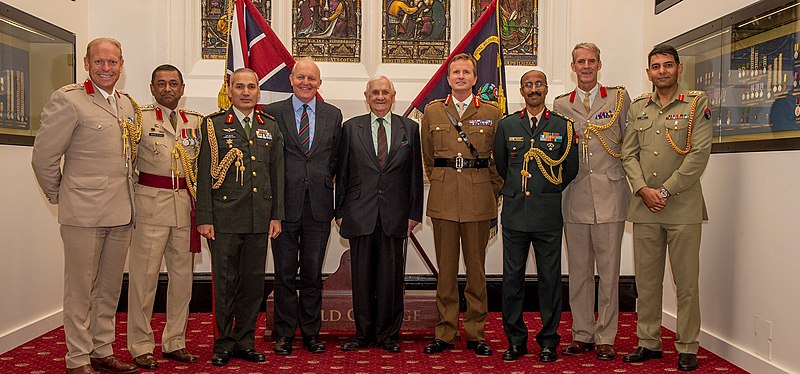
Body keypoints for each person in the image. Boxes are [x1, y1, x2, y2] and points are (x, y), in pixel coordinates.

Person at [31, 37, 140, 374]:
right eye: (99, 62)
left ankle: (101, 349)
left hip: (122, 212)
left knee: (108, 290)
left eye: (112, 62)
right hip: (84, 214)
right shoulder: (70, 100)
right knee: (80, 291)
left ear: (122, 65)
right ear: (87, 65)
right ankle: (77, 359)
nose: (106, 68)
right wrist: (60, 196)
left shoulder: (126, 105)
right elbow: (44, 157)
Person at [620, 44, 712, 372]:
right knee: (647, 282)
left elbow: (699, 154)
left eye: (668, 65)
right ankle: (648, 342)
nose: (662, 71)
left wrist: (665, 190)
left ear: (678, 69)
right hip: (645, 207)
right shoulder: (638, 108)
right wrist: (642, 189)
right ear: (648, 73)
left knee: (686, 282)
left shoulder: (695, 104)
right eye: (656, 66)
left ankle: (687, 345)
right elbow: (628, 153)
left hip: (682, 207)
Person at [195, 67, 284, 367]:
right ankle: (222, 343)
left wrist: (277, 216)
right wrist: (204, 217)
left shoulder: (269, 126)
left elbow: (276, 175)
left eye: (251, 87)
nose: (246, 92)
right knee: (225, 284)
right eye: (240, 87)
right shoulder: (214, 125)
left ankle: (245, 341)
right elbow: (204, 175)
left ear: (259, 92)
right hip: (224, 219)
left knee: (252, 283)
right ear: (230, 90)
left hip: (259, 219)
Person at [420, 53, 503, 357]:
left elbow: (499, 161)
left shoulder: (492, 113)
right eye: (456, 72)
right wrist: (443, 181)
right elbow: (429, 158)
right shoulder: (432, 112)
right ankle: (445, 331)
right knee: (445, 271)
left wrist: (488, 190)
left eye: (466, 72)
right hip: (443, 201)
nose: (461, 77)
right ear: (449, 77)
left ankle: (476, 333)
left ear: (475, 78)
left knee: (477, 272)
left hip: (478, 199)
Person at [493, 69, 579, 362]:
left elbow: (570, 170)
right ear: (521, 91)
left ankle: (548, 342)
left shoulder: (562, 126)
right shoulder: (506, 126)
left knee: (550, 281)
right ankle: (515, 341)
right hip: (516, 215)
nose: (533, 89)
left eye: (538, 84)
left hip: (547, 215)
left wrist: (546, 191)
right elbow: (503, 167)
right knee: (512, 281)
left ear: (545, 89)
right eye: (528, 85)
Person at [553, 42, 631, 361]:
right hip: (574, 196)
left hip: (610, 194)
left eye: (591, 61)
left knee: (609, 272)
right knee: (579, 271)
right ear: (572, 67)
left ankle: (606, 337)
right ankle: (582, 333)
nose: (586, 66)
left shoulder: (618, 99)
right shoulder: (561, 104)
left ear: (600, 65)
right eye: (580, 62)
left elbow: (630, 143)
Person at [335, 76, 423, 353]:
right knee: (361, 278)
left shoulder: (410, 128)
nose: (380, 96)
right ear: (367, 96)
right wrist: (340, 212)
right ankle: (363, 334)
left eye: (386, 92)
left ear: (393, 96)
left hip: (395, 215)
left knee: (391, 278)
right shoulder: (350, 128)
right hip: (359, 212)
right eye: (375, 92)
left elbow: (415, 176)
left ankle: (388, 335)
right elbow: (343, 174)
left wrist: (414, 213)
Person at [265, 57, 343, 355]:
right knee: (284, 273)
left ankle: (311, 332)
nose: (306, 83)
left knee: (312, 274)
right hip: (284, 209)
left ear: (319, 83)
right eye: (301, 77)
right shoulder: (272, 114)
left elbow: (334, 159)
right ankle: (284, 333)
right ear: (291, 80)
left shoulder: (332, 114)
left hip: (319, 207)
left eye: (312, 78)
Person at [126, 64, 202, 369]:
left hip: (184, 208)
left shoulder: (195, 122)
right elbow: (128, 166)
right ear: (152, 88)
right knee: (144, 282)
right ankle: (141, 344)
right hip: (150, 209)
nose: (167, 89)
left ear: (182, 89)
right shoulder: (139, 120)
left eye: (173, 83)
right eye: (161, 84)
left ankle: (175, 342)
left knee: (182, 281)